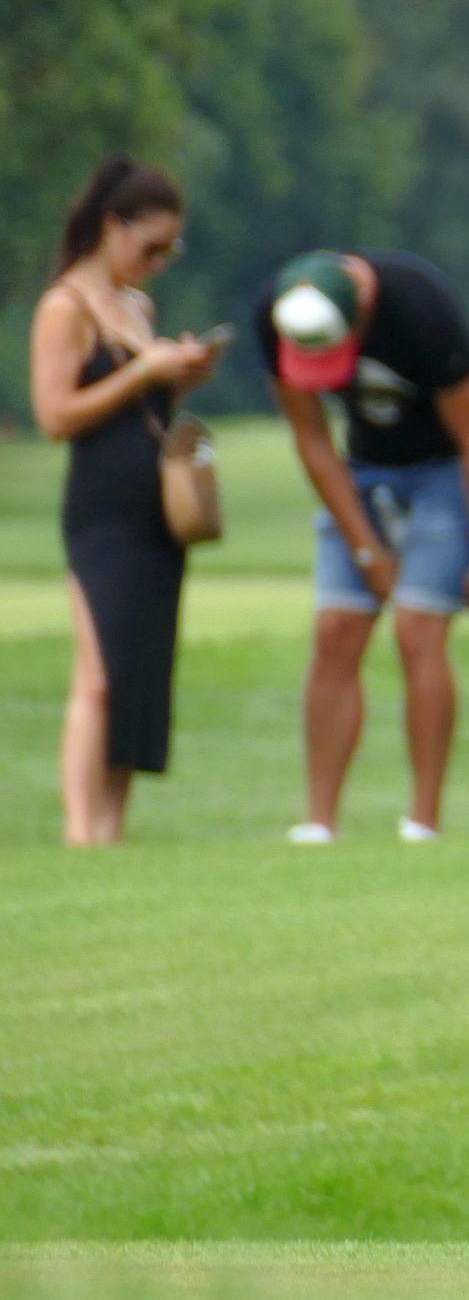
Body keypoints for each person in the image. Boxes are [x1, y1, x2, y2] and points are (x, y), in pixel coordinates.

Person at [256, 248, 469, 841]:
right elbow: (314, 439)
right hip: (364, 467)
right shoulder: (274, 315)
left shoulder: (421, 309)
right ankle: (318, 822)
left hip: (448, 465)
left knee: (417, 627)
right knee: (336, 631)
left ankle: (423, 821)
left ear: (363, 313)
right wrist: (365, 548)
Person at [27, 157, 217, 846]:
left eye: (172, 250)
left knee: (138, 677)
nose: (159, 262)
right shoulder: (65, 307)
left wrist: (181, 375)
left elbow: (140, 408)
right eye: (151, 246)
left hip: (157, 513)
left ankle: (113, 830)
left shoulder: (137, 308)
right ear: (113, 227)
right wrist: (144, 367)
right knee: (100, 675)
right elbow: (55, 415)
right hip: (101, 516)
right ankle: (82, 836)